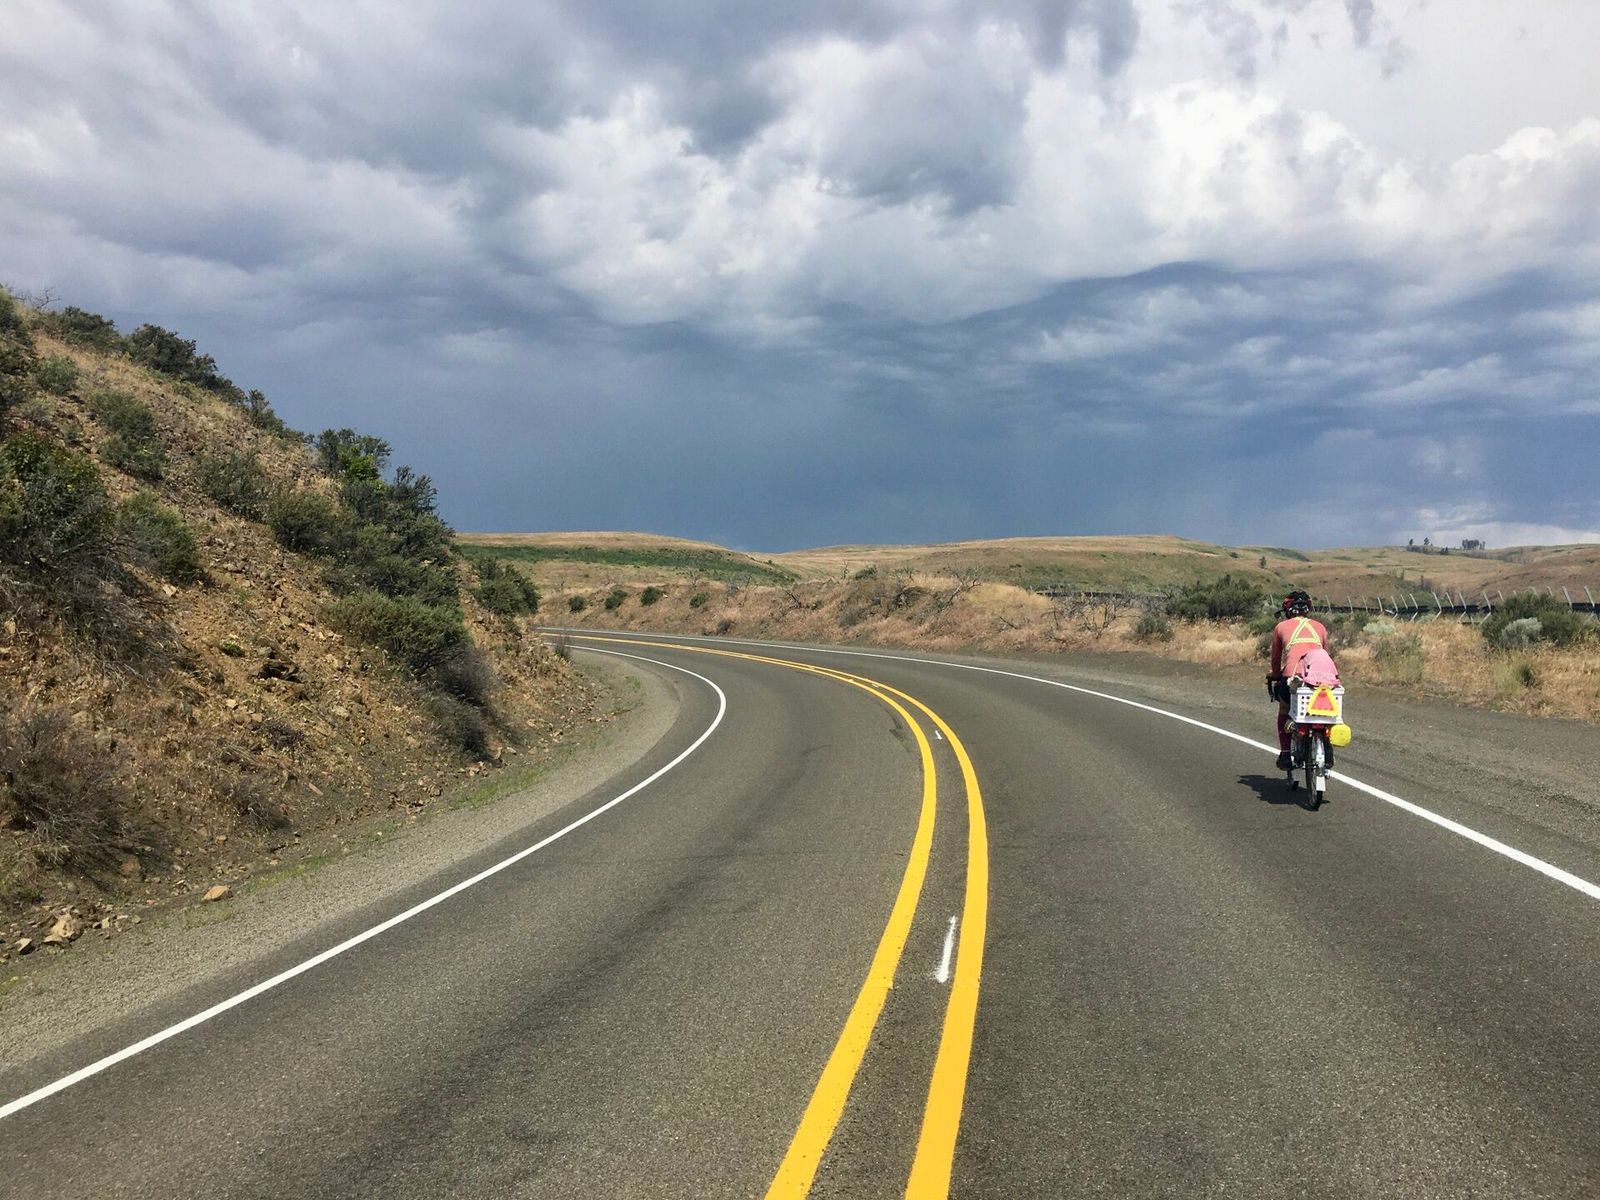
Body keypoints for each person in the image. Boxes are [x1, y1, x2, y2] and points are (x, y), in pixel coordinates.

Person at [1266, 590, 1333, 770]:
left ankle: (1285, 753)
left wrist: (1274, 674)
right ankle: (1327, 747)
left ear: (1287, 610)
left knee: (1284, 708)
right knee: (1326, 711)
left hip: (1293, 677)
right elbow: (1326, 655)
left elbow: (1276, 659)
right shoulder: (1320, 627)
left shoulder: (1281, 627)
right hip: (1322, 679)